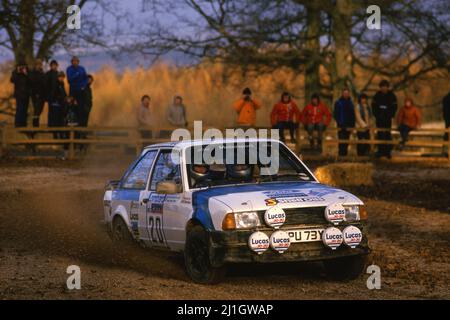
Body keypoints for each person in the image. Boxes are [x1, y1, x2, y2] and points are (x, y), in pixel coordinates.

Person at [372, 80, 398, 158]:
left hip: (387, 118)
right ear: (380, 87)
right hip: (379, 118)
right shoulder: (377, 95)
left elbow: (394, 107)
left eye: (385, 86)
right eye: (382, 87)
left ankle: (387, 151)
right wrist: (377, 115)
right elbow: (373, 107)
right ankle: (380, 151)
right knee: (380, 134)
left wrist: (390, 115)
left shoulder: (392, 95)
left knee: (387, 134)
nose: (384, 88)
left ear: (387, 87)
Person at [66, 56, 88, 127]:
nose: (75, 62)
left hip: (81, 91)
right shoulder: (69, 69)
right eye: (73, 61)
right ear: (71, 62)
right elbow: (69, 79)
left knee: (81, 108)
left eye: (76, 61)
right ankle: (72, 127)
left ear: (78, 62)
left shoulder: (82, 68)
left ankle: (81, 127)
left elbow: (85, 78)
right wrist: (77, 74)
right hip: (73, 91)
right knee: (72, 108)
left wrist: (83, 86)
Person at [333, 88, 356, 156]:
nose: (346, 94)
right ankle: (341, 155)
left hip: (349, 125)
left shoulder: (351, 103)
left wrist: (352, 125)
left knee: (346, 141)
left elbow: (352, 115)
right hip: (341, 125)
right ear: (342, 94)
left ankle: (345, 155)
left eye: (347, 93)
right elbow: (336, 114)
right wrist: (339, 122)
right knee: (341, 140)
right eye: (344, 93)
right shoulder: (338, 103)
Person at [48, 71, 67, 139]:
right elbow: (53, 94)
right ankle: (55, 135)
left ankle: (61, 135)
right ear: (58, 77)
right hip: (55, 105)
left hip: (61, 105)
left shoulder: (62, 84)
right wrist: (57, 99)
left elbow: (64, 94)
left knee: (61, 121)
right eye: (60, 77)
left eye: (62, 77)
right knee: (55, 120)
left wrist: (65, 98)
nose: (61, 78)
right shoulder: (55, 84)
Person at [10, 61, 30, 127]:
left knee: (25, 109)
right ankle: (18, 124)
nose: (22, 68)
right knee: (19, 109)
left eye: (23, 66)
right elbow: (12, 80)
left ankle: (23, 124)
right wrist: (17, 73)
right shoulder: (15, 72)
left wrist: (26, 74)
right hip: (19, 94)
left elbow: (31, 81)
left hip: (26, 94)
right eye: (20, 66)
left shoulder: (27, 72)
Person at [29, 59, 46, 127]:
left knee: (40, 109)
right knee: (37, 109)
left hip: (42, 94)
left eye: (40, 64)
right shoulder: (32, 73)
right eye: (38, 64)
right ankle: (35, 125)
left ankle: (36, 124)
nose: (39, 66)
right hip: (35, 93)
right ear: (35, 65)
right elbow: (33, 82)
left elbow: (44, 83)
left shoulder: (42, 73)